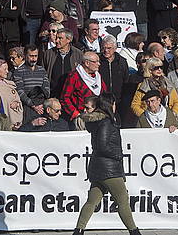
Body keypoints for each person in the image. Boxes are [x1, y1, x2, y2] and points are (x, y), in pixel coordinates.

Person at [72, 94, 142, 235]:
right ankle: (134, 232)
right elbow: (103, 145)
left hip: (98, 168)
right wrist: (118, 155)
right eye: (114, 103)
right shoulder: (106, 122)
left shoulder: (98, 122)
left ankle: (78, 230)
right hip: (109, 168)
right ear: (110, 105)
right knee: (122, 200)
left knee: (92, 201)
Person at [61, 51, 109, 128]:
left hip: (99, 116)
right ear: (87, 63)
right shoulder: (74, 76)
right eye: (95, 62)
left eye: (98, 61)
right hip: (82, 117)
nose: (99, 64)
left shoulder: (98, 76)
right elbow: (64, 98)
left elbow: (104, 93)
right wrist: (75, 114)